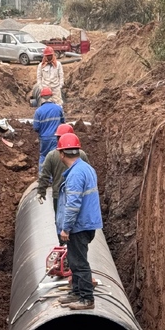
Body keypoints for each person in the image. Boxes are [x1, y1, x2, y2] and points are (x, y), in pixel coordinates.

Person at [55, 133, 102, 310]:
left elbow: (73, 205)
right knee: (74, 260)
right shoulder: (86, 168)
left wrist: (65, 228)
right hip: (88, 223)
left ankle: (86, 298)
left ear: (61, 154)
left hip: (79, 225)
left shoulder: (75, 175)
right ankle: (76, 292)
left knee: (80, 263)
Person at [37, 124, 90, 211]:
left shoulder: (52, 155)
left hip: (58, 196)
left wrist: (41, 191)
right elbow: (88, 175)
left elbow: (44, 176)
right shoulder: (81, 154)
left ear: (58, 138)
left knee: (60, 222)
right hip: (78, 195)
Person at [32, 87, 65, 168]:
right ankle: (55, 177)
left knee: (43, 156)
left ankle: (43, 177)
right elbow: (63, 122)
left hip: (44, 138)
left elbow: (36, 127)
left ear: (41, 97)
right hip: (56, 138)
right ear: (51, 96)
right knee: (56, 157)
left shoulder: (38, 111)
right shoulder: (58, 108)